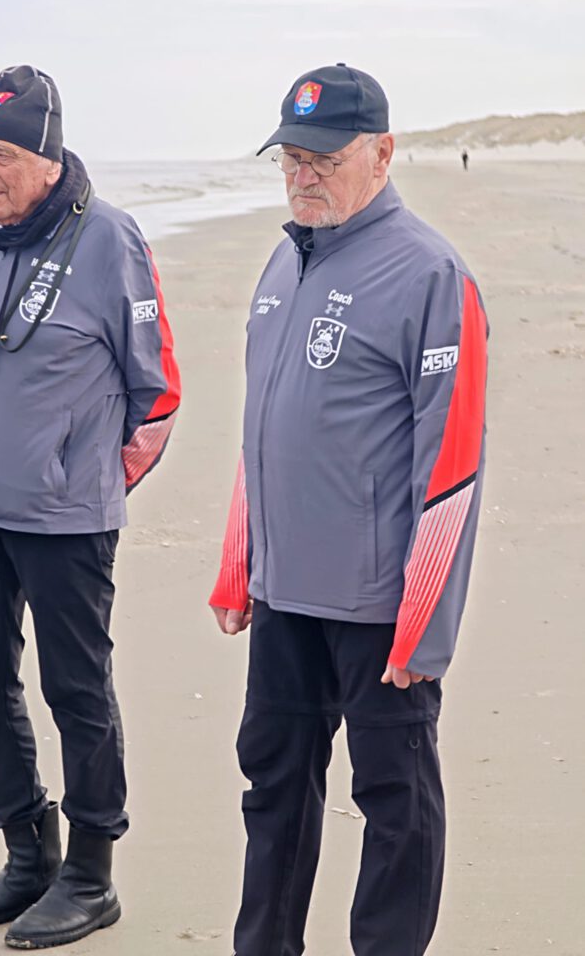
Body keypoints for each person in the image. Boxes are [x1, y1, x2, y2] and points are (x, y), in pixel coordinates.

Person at [209, 64, 487, 956]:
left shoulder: (430, 274)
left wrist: (423, 624)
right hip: (283, 594)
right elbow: (265, 430)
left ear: (382, 153)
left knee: (394, 802)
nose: (305, 176)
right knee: (272, 787)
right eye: (292, 158)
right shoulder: (283, 261)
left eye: (325, 159)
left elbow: (451, 461)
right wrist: (239, 564)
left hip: (378, 607)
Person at [0, 65, 180, 950]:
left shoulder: (109, 238)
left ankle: (90, 874)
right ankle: (26, 852)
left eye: (1, 155)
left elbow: (157, 390)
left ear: (46, 158)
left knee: (76, 690)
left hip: (66, 516)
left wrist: (84, 479)